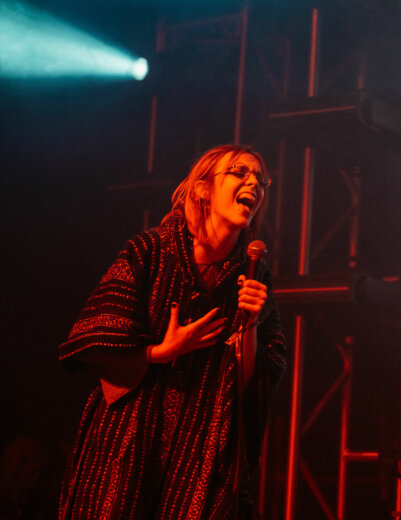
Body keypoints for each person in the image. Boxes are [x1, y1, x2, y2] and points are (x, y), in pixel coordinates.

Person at [58, 145, 286, 519]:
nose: (254, 184)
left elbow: (251, 383)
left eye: (261, 180)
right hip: (131, 441)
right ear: (202, 188)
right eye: (240, 173)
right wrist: (159, 353)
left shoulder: (253, 274)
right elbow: (93, 337)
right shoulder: (150, 251)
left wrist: (250, 324)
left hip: (200, 450)